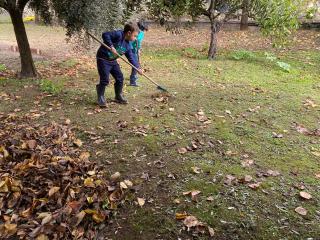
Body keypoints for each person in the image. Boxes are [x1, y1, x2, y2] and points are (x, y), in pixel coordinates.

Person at [96, 23, 143, 107]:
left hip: (113, 61)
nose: (135, 38)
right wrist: (111, 46)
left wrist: (138, 67)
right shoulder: (118, 34)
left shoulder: (128, 45)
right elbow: (105, 34)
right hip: (103, 59)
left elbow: (131, 57)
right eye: (135, 36)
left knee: (120, 77)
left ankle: (118, 96)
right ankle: (101, 97)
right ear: (128, 33)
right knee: (105, 79)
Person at [129, 20, 149, 87]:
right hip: (132, 49)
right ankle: (133, 81)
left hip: (133, 49)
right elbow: (137, 43)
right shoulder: (140, 33)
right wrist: (137, 51)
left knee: (136, 64)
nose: (143, 31)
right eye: (143, 29)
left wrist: (139, 50)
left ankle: (133, 78)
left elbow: (138, 43)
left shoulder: (138, 32)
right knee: (136, 64)